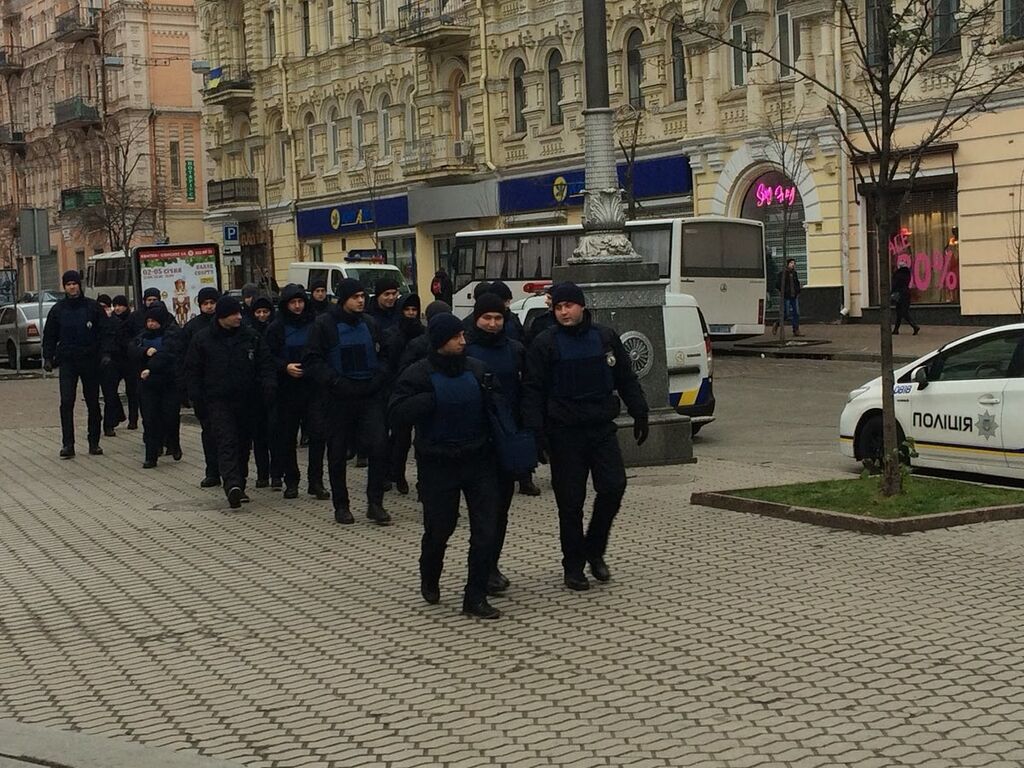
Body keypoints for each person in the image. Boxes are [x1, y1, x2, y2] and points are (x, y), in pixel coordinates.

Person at [522, 282, 649, 592]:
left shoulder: (604, 338)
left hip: (601, 429)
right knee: (570, 503)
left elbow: (625, 378)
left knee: (614, 487)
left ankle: (595, 548)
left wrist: (640, 410)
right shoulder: (545, 343)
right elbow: (533, 391)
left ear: (582, 306)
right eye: (559, 307)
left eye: (569, 305)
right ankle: (574, 566)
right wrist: (536, 434)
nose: (564, 311)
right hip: (564, 434)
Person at [389, 313, 501, 620]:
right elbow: (396, 412)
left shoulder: (477, 370)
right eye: (456, 337)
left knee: (485, 531)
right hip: (438, 464)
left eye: (463, 336)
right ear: (440, 342)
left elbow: (497, 410)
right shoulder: (418, 374)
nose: (463, 341)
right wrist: (431, 401)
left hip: (478, 461)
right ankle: (430, 573)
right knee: (440, 529)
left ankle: (475, 596)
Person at [303, 278, 391, 525]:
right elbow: (312, 360)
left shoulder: (370, 323)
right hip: (338, 398)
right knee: (338, 453)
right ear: (343, 300)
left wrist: (379, 378)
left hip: (369, 395)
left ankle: (375, 503)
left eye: (363, 296)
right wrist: (334, 382)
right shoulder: (324, 325)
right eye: (355, 297)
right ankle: (341, 506)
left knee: (378, 446)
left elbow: (385, 355)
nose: (361, 300)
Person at [184, 295, 276, 509]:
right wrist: (195, 398)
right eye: (233, 314)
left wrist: (268, 387)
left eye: (239, 313)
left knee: (244, 443)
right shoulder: (203, 339)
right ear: (222, 317)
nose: (238, 317)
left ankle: (240, 482)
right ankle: (231, 484)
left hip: (247, 399)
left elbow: (265, 364)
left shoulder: (250, 336)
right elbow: (192, 371)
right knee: (227, 441)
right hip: (217, 400)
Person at [465, 292, 526, 596]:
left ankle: (491, 565)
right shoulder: (465, 350)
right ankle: (481, 570)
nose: (492, 324)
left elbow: (525, 393)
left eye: (498, 318)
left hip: (505, 440)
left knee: (500, 510)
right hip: (475, 442)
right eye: (486, 318)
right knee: (483, 512)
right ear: (476, 318)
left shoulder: (515, 350)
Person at [265, 284, 329, 500]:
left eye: (300, 302)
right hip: (287, 389)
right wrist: (285, 367)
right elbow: (268, 356)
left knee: (318, 434)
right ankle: (291, 481)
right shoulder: (276, 327)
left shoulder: (316, 323)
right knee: (287, 436)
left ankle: (316, 481)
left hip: (313, 387)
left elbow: (324, 350)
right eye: (293, 302)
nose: (298, 306)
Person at [42, 271, 113, 459]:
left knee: (92, 401)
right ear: (64, 287)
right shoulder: (58, 310)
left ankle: (94, 442)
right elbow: (49, 335)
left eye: (74, 283)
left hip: (90, 360)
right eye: (68, 284)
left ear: (79, 285)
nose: (72, 287)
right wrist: (47, 357)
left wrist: (106, 353)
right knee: (66, 402)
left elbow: (106, 332)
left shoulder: (92, 307)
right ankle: (68, 444)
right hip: (67, 361)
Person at [131, 302, 184, 468]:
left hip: (168, 384)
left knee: (170, 416)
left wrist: (151, 368)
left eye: (154, 321)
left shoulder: (171, 336)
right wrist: (144, 352)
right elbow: (131, 351)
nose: (151, 324)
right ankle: (151, 455)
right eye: (149, 321)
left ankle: (173, 443)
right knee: (150, 419)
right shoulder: (142, 337)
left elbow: (169, 355)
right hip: (147, 386)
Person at [179, 287, 222, 488]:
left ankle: (232, 472)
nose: (209, 306)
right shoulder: (192, 328)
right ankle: (212, 471)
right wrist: (188, 390)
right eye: (205, 303)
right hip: (203, 390)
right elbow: (185, 361)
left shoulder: (228, 323)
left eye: (212, 302)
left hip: (226, 388)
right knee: (209, 431)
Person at [381, 293, 424, 495]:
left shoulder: (422, 334)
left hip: (420, 391)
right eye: (407, 310)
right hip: (397, 390)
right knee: (400, 438)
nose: (411, 313)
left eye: (414, 310)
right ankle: (395, 473)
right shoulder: (391, 334)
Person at [247, 295, 277, 488]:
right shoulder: (248, 334)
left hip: (275, 389)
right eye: (258, 312)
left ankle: (276, 474)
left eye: (265, 312)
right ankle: (262, 473)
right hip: (254, 391)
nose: (262, 315)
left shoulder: (276, 330)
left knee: (275, 434)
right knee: (258, 436)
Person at [105, 294, 139, 432]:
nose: (118, 308)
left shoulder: (132, 320)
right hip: (115, 360)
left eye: (121, 305)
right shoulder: (110, 320)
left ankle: (133, 419)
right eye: (116, 305)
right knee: (111, 391)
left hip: (129, 360)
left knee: (132, 391)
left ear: (126, 307)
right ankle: (113, 420)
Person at [891, 261, 920, 335]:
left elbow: (895, 285)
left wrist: (891, 293)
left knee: (902, 312)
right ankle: (896, 330)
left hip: (900, 295)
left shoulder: (898, 274)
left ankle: (914, 326)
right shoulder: (907, 273)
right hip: (906, 294)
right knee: (900, 313)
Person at [775, 258, 802, 337]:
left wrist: (798, 291)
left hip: (794, 296)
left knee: (796, 313)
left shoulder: (794, 273)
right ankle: (777, 323)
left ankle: (796, 330)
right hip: (786, 296)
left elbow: (797, 283)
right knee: (786, 314)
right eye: (791, 263)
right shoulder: (782, 274)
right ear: (787, 264)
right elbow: (778, 284)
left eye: (794, 263)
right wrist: (783, 291)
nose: (793, 265)